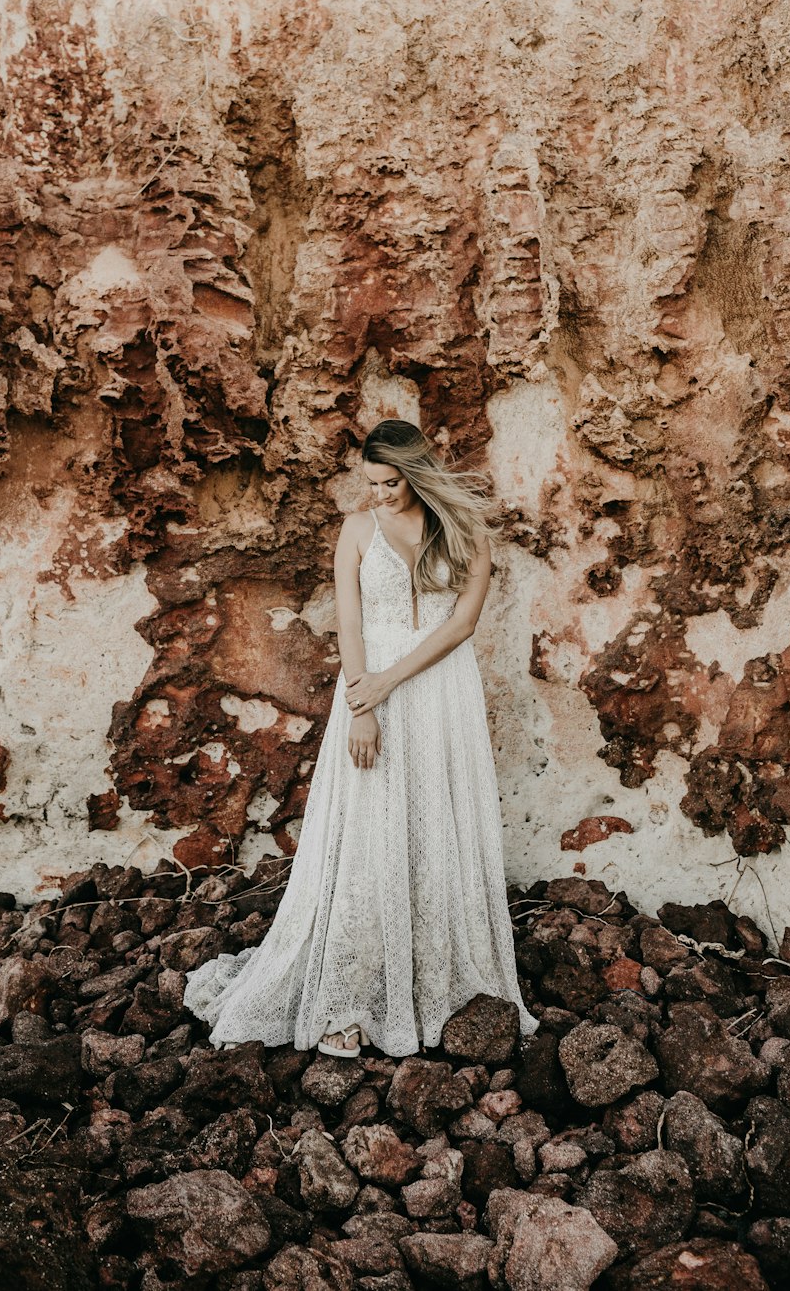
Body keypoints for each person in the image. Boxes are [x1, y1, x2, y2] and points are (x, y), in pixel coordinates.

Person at [183, 418, 538, 1058]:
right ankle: (350, 994)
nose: (377, 494)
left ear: (418, 475)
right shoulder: (356, 530)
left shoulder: (465, 532)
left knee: (436, 829)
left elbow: (462, 625)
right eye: (370, 482)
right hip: (370, 691)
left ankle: (439, 982)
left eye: (391, 483)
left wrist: (388, 683)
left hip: (440, 693)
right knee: (369, 834)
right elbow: (350, 623)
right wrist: (362, 704)